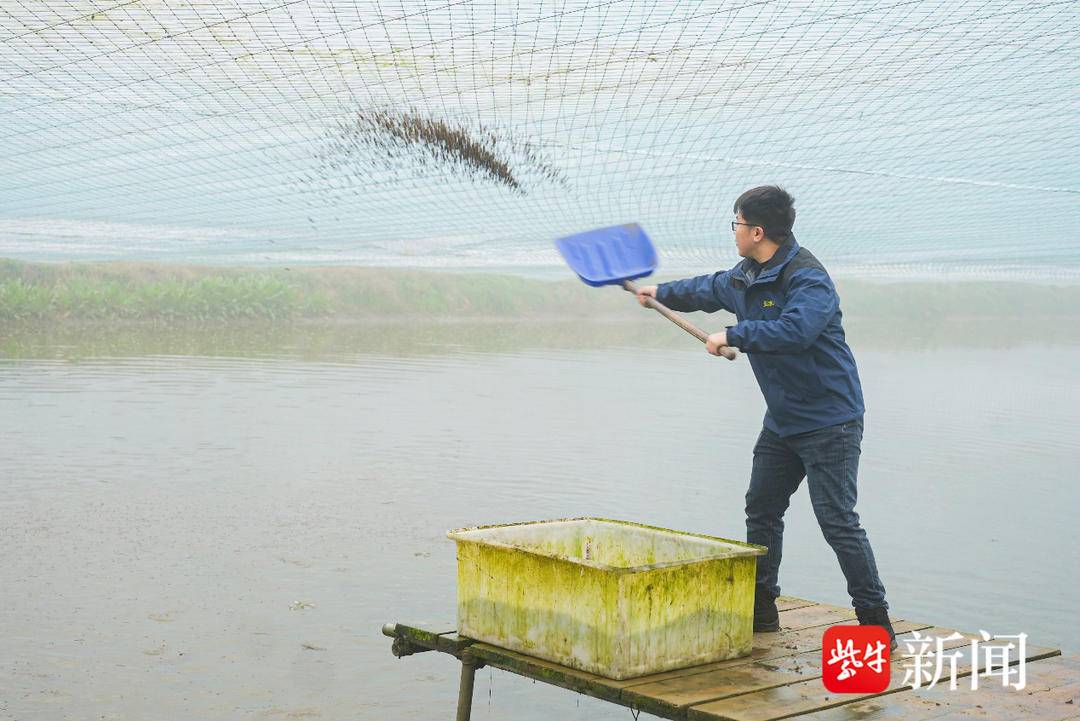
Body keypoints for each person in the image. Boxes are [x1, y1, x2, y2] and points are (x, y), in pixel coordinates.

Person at [636, 185, 897, 650]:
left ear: (757, 231)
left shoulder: (808, 279)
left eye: (736, 224)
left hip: (829, 420)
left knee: (837, 521)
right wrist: (661, 292)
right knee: (762, 509)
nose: (733, 232)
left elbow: (796, 330)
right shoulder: (745, 275)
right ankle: (761, 611)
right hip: (782, 420)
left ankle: (876, 625)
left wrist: (736, 333)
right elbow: (707, 287)